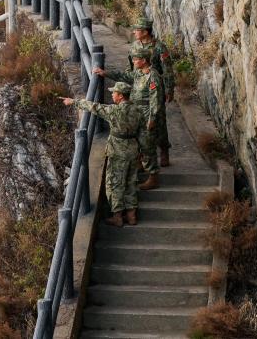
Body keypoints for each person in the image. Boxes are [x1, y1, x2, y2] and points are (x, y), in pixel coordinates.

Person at [62, 82, 143, 226]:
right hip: (133, 149)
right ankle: (132, 216)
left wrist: (74, 102)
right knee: (131, 182)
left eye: (114, 92)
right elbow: (143, 132)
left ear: (120, 96)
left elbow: (95, 107)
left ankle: (117, 216)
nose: (112, 94)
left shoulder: (114, 111)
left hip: (118, 151)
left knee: (115, 183)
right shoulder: (137, 110)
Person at [94, 45, 163, 190]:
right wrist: (105, 73)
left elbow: (156, 100)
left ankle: (153, 176)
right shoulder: (138, 73)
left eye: (136, 59)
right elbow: (124, 76)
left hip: (146, 113)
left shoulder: (153, 76)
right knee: (138, 141)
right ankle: (141, 166)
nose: (133, 61)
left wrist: (152, 118)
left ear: (144, 60)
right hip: (137, 112)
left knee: (147, 145)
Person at [130, 17, 174, 167]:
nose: (134, 32)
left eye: (137, 30)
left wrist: (169, 89)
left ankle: (164, 149)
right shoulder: (134, 46)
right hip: (139, 88)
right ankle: (142, 154)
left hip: (155, 88)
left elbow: (167, 69)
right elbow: (131, 67)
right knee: (140, 122)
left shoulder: (159, 47)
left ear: (145, 32)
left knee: (159, 121)